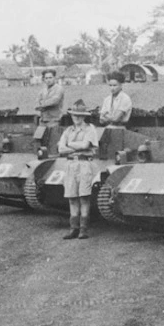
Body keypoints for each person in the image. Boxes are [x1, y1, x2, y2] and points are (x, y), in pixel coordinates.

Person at [57, 100, 99, 240]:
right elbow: (60, 148)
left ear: (84, 116)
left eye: (80, 115)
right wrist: (75, 146)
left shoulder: (89, 129)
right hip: (70, 165)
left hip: (84, 163)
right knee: (72, 198)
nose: (77, 118)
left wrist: (69, 145)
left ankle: (83, 229)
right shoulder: (68, 130)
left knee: (84, 197)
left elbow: (85, 145)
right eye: (74, 115)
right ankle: (73, 229)